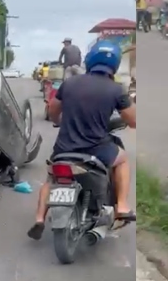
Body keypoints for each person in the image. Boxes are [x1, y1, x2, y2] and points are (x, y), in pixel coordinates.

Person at [27, 40, 137, 241]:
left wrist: (58, 121)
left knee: (51, 177)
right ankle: (121, 205)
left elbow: (53, 110)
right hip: (97, 150)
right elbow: (133, 120)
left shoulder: (69, 83)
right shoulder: (117, 89)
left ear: (90, 59)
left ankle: (40, 218)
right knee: (122, 160)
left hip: (65, 148)